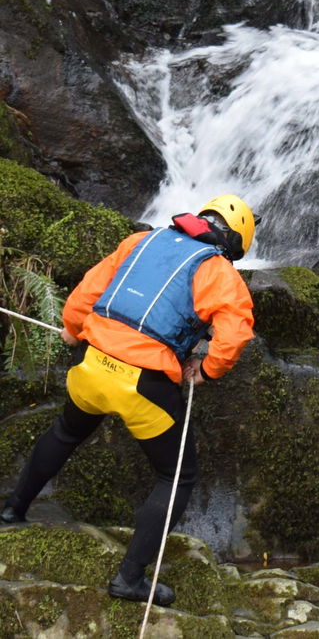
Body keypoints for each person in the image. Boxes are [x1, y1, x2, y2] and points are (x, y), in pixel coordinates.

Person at [1, 195, 258, 606]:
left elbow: (90, 288)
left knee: (66, 431)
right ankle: (129, 578)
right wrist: (207, 370)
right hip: (143, 383)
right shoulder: (218, 271)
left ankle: (13, 511)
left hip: (93, 364)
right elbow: (235, 334)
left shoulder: (141, 240)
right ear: (235, 241)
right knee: (177, 476)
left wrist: (72, 327)